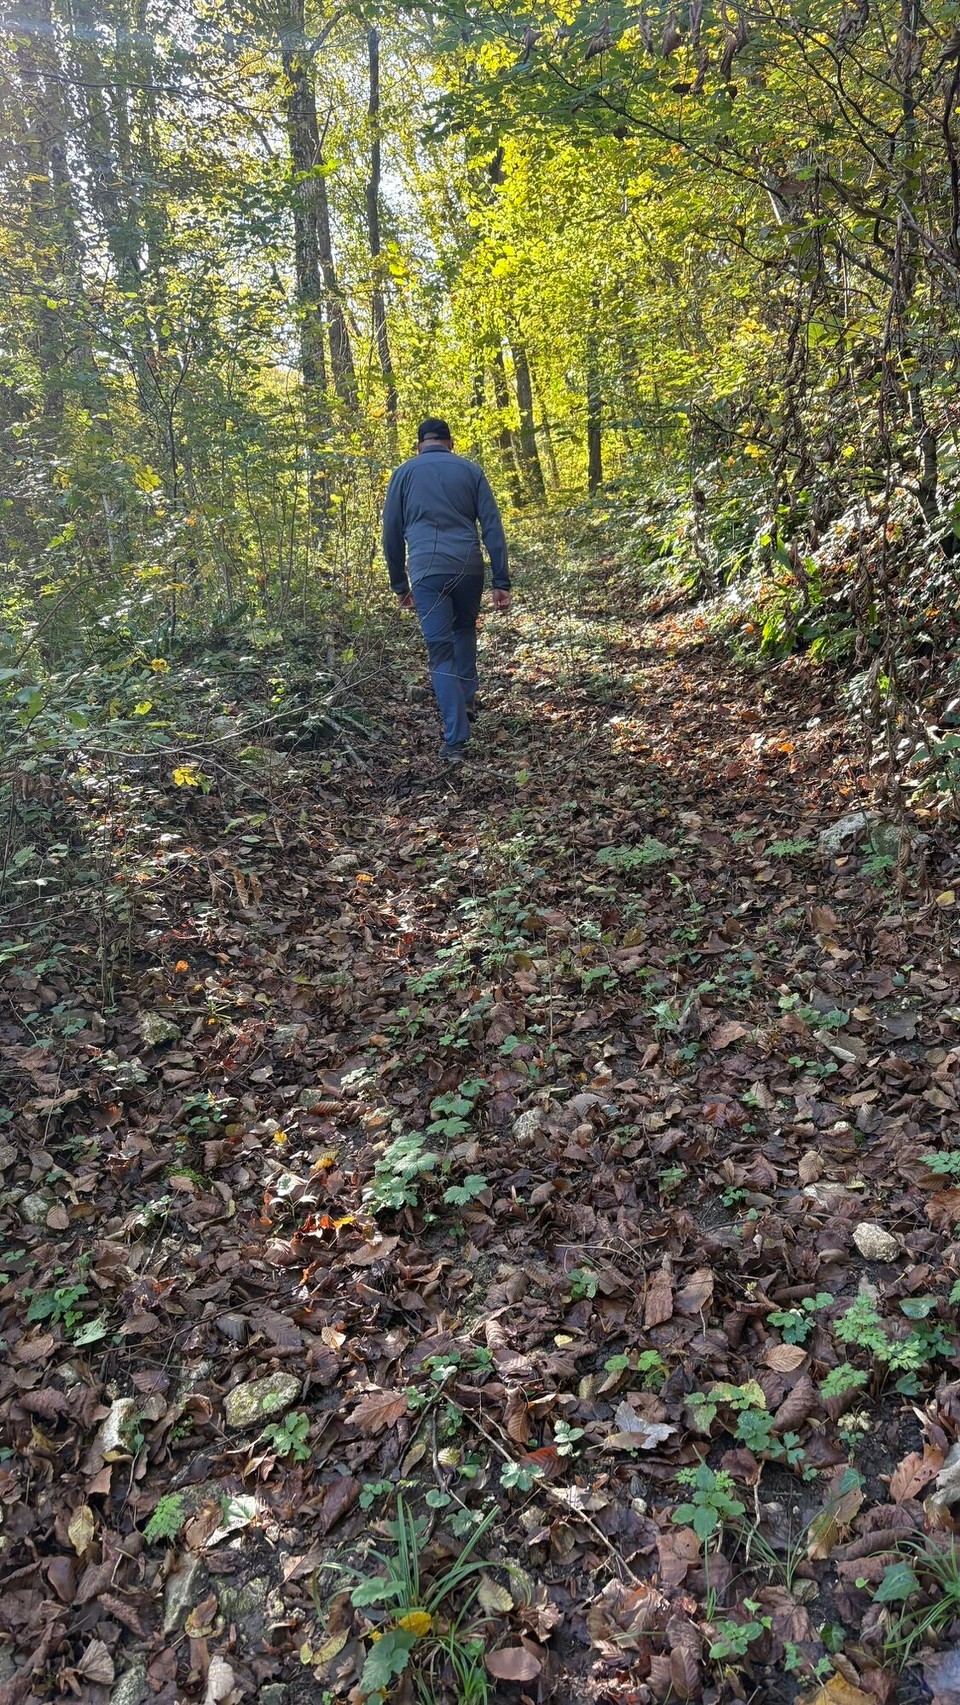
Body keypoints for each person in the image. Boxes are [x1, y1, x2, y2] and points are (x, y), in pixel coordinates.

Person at [382, 417, 511, 764]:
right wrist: (501, 580)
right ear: (450, 442)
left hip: (427, 571)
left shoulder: (404, 474)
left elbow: (391, 534)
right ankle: (466, 696)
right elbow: (492, 526)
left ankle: (456, 740)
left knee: (440, 652)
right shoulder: (471, 471)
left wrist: (400, 584)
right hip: (469, 567)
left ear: (418, 445)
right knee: (464, 629)